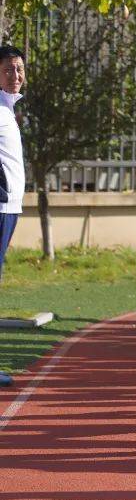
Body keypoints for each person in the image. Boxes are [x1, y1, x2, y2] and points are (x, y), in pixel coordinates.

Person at [0, 45, 25, 387]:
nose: (15, 75)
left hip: (9, 208)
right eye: (8, 69)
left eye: (19, 69)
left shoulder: (8, 109)